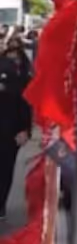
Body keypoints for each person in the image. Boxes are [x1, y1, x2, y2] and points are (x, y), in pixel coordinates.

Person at [0, 28, 32, 222]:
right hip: (11, 126)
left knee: (5, 167)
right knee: (5, 167)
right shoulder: (21, 70)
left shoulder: (23, 72)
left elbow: (25, 102)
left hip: (11, 127)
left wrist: (25, 129)